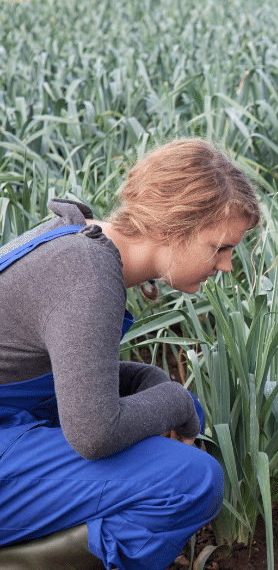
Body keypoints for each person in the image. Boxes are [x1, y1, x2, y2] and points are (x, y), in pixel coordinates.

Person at [0, 139, 261, 570]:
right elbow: (95, 433)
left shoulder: (78, 241)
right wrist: (175, 400)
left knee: (163, 426)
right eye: (219, 247)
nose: (227, 264)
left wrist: (144, 380)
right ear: (173, 227)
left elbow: (41, 369)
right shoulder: (87, 271)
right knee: (190, 480)